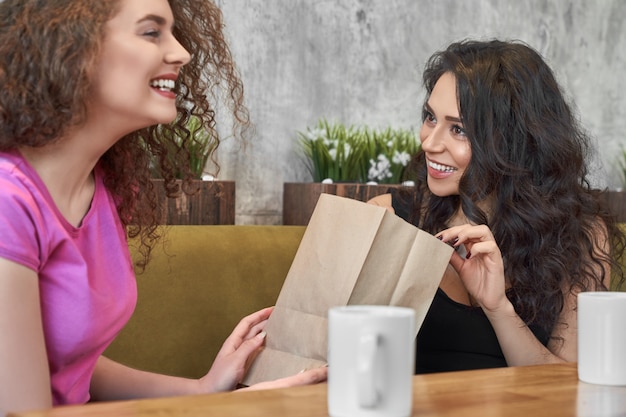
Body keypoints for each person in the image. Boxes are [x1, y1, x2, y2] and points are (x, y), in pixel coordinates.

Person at [0, 0, 326, 414]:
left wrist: (203, 390)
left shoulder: (101, 190)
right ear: (72, 47)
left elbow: (67, 364)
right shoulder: (8, 203)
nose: (182, 53)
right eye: (151, 32)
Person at [369, 39, 626, 374]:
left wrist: (498, 308)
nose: (429, 142)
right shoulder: (388, 217)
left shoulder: (580, 237)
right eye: (430, 117)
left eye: (458, 129)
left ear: (513, 142)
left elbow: (566, 390)